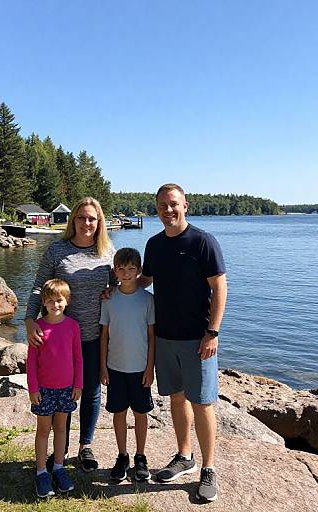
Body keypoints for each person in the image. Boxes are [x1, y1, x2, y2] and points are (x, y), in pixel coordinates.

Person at [140, 183, 227, 502]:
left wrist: (212, 332)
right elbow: (145, 280)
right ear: (157, 209)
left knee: (203, 403)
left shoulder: (203, 242)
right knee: (176, 399)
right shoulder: (154, 245)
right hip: (165, 338)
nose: (168, 209)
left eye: (173, 204)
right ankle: (184, 456)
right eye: (162, 205)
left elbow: (220, 288)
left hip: (198, 340)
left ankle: (208, 468)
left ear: (185, 205)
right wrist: (117, 288)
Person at [25, 197, 115, 472]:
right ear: (72, 220)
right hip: (58, 339)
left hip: (94, 336)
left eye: (92, 218)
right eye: (81, 217)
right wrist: (29, 320)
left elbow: (119, 285)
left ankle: (85, 446)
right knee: (56, 391)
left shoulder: (108, 252)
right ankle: (59, 450)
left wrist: (112, 293)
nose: (86, 223)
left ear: (99, 222)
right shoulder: (57, 251)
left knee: (90, 392)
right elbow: (39, 287)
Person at [100, 247, 155, 482]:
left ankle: (140, 456)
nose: (127, 273)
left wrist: (150, 368)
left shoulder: (148, 299)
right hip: (115, 368)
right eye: (121, 269)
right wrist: (102, 367)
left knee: (141, 413)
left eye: (132, 269)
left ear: (140, 270)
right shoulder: (109, 299)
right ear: (115, 271)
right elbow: (104, 336)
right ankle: (122, 455)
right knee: (119, 413)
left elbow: (152, 337)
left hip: (140, 369)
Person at [26, 279, 83, 497]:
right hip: (44, 390)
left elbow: (78, 359)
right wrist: (33, 388)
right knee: (43, 430)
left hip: (67, 389)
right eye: (50, 301)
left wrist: (78, 384)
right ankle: (41, 472)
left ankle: (59, 468)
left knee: (61, 428)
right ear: (44, 302)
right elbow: (31, 362)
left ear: (66, 301)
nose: (55, 305)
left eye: (59, 300)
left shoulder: (73, 326)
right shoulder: (38, 328)